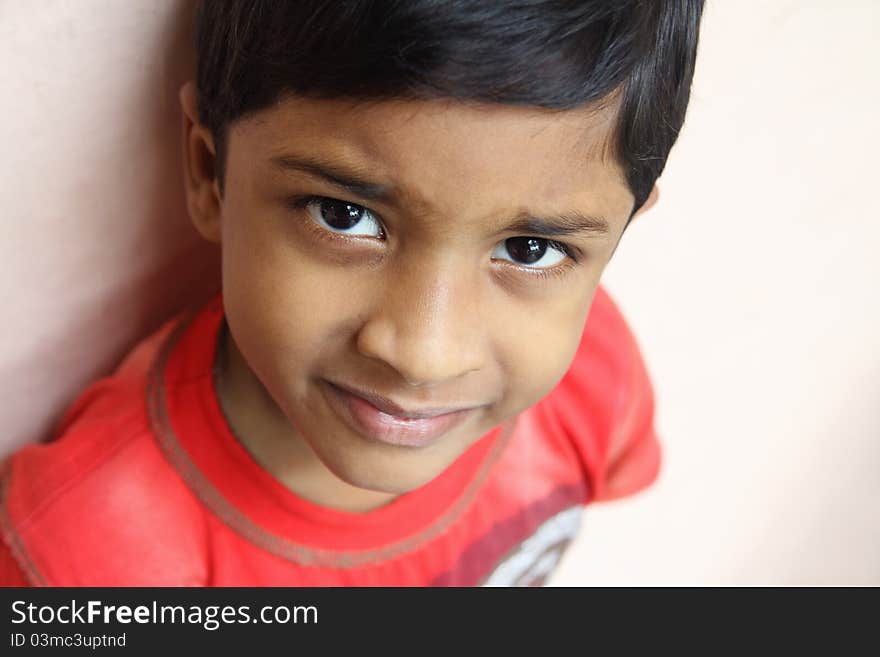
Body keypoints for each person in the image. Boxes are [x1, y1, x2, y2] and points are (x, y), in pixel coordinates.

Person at [0, 0, 703, 586]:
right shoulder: (83, 555)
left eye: (530, 249)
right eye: (343, 215)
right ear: (209, 170)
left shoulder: (595, 380)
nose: (423, 354)